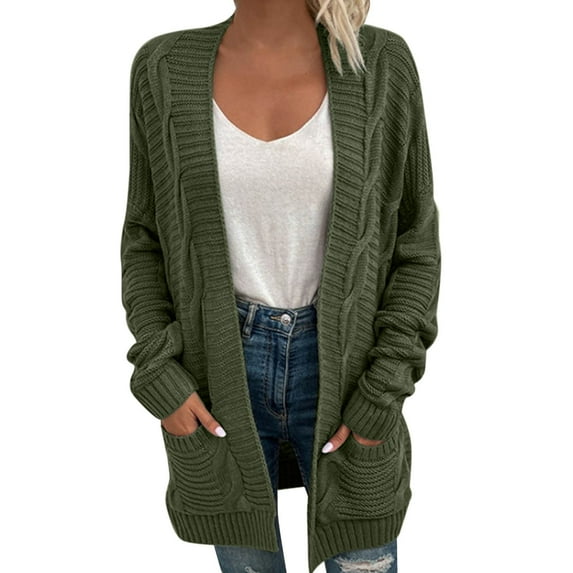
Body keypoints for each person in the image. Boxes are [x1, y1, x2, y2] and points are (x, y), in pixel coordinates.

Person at [120, 1, 441, 572]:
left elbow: (414, 243)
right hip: (218, 373)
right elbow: (144, 240)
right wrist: (159, 373)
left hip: (351, 372)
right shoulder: (164, 66)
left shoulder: (380, 63)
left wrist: (385, 385)